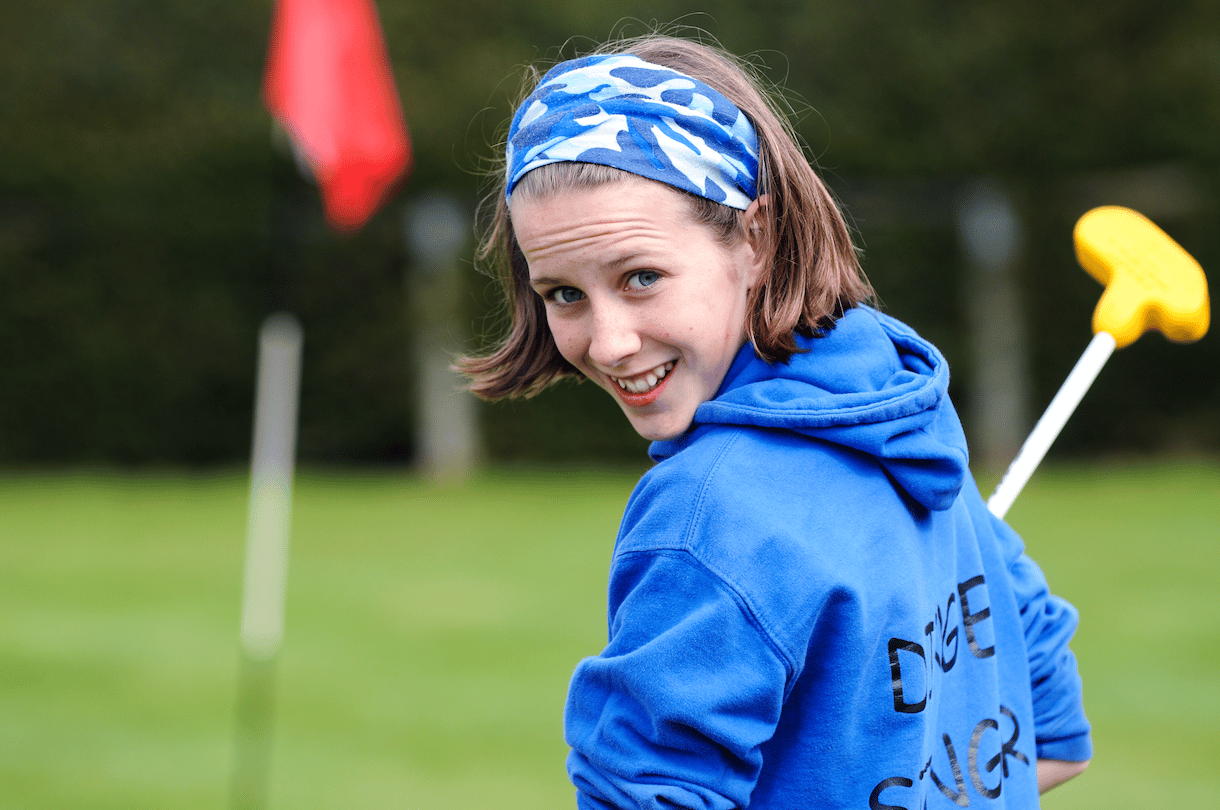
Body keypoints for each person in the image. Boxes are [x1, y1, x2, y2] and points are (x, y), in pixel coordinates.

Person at [459, 34, 1091, 810]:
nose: (609, 339)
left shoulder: (710, 510)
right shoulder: (903, 417)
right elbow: (1051, 736)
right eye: (563, 294)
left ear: (754, 238)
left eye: (642, 276)